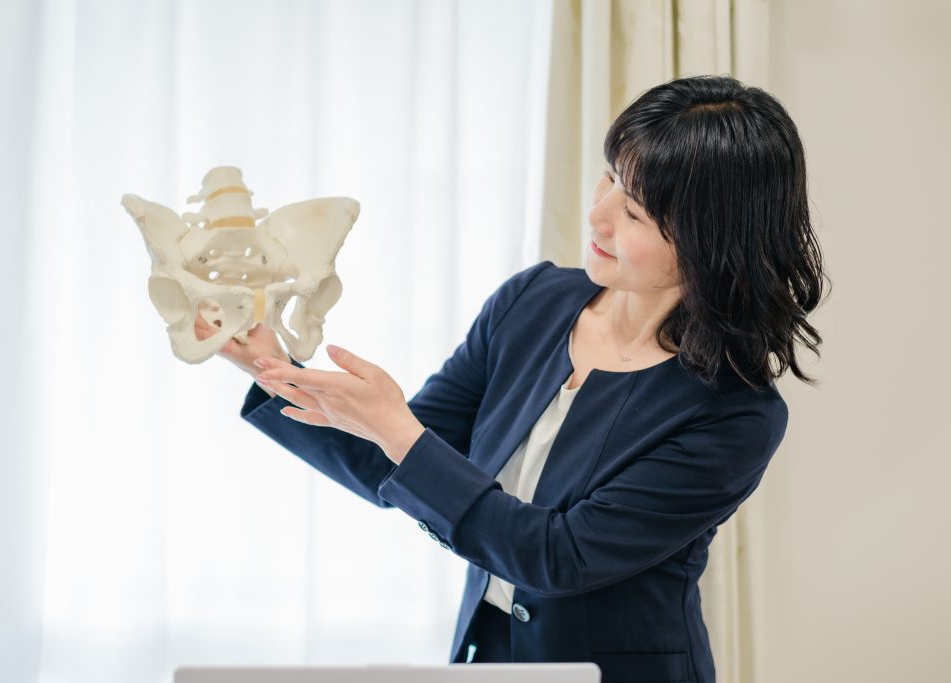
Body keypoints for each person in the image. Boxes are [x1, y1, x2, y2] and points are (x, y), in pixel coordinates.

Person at [199, 74, 828, 683]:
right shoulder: (531, 302)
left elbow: (558, 557)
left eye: (633, 211)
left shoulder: (735, 413)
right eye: (609, 177)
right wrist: (266, 364)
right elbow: (394, 464)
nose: (598, 214)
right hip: (488, 654)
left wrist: (398, 432)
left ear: (708, 240)